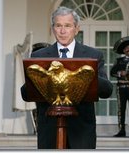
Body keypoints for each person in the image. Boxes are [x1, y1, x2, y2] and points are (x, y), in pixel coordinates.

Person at [21, 6, 113, 149]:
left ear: (76, 29)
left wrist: (89, 72)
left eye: (67, 26)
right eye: (58, 25)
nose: (62, 31)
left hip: (81, 132)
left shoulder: (92, 55)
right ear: (53, 29)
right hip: (49, 130)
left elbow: (107, 91)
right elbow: (26, 93)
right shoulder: (39, 56)